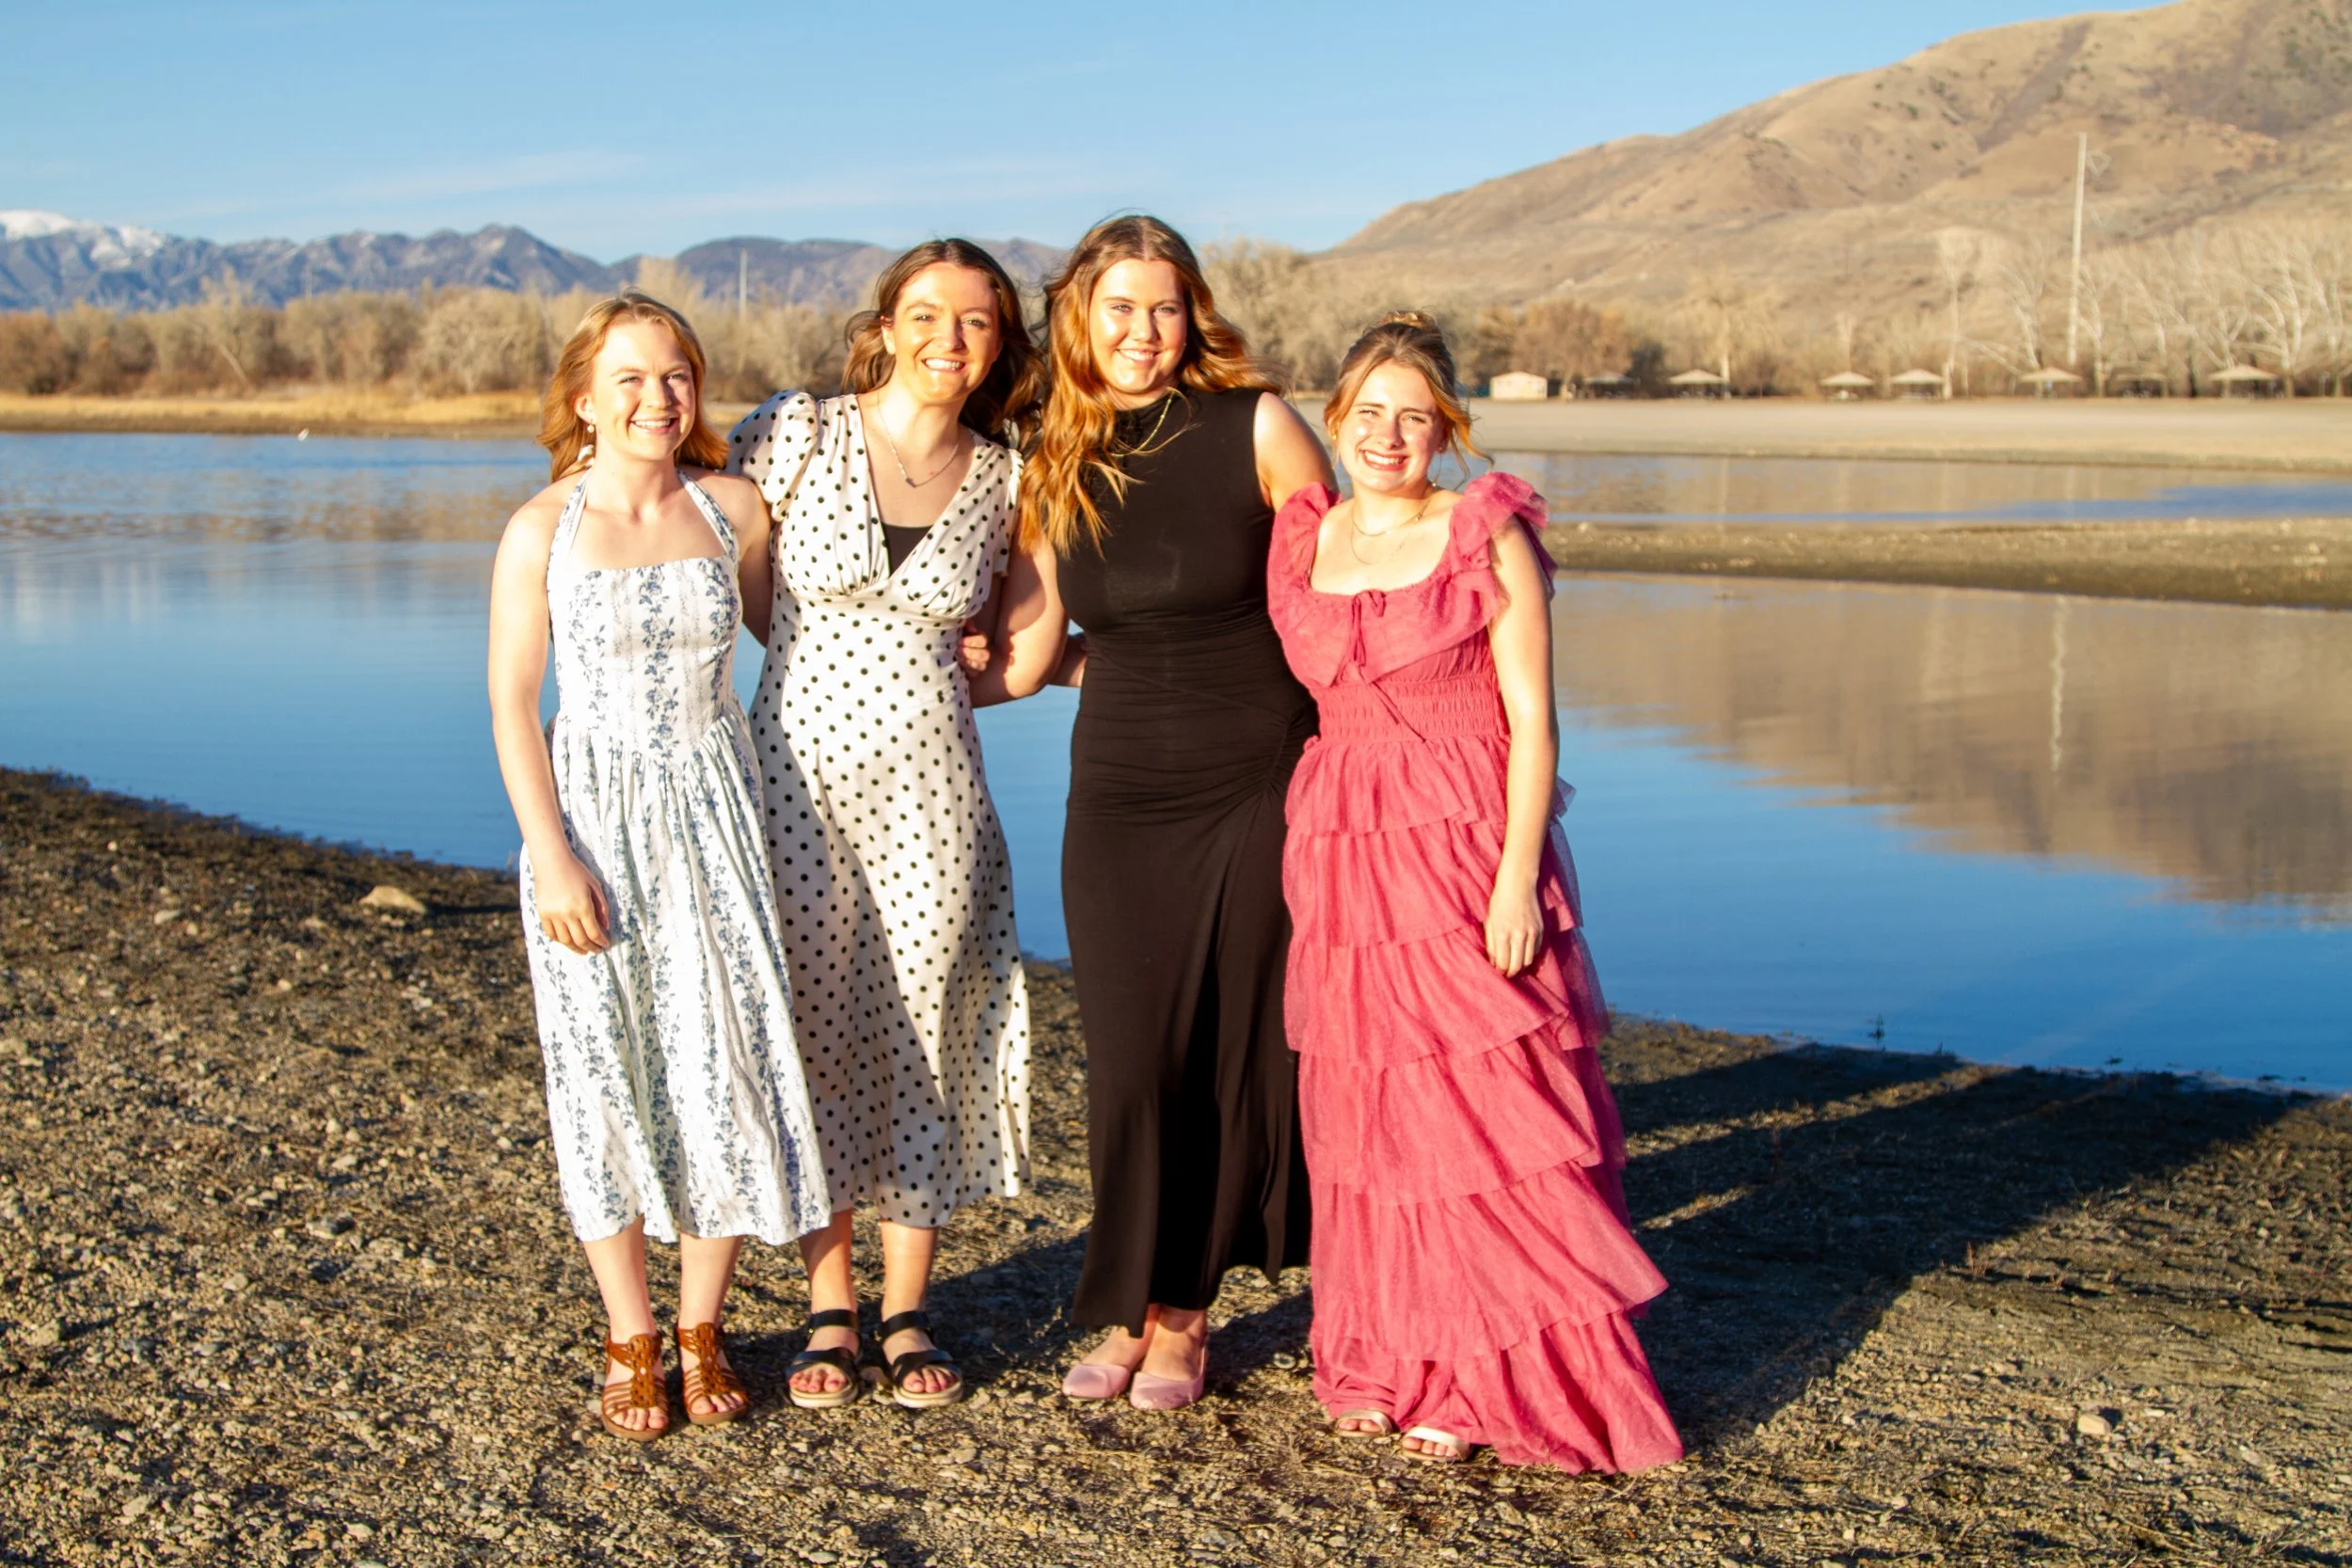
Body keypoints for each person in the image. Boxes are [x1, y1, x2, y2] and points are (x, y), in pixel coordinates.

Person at [1264, 312, 1682, 1469]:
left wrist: (1513, 883)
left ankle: (1486, 1371)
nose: (1389, 434)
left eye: (1415, 416)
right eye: (1368, 413)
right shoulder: (1305, 535)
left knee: (1480, 1117)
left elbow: (1536, 723)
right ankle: (1383, 1355)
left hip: (1461, 841)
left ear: (1444, 428)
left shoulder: (1484, 533)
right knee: (1366, 1117)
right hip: (1342, 844)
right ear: (1336, 418)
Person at [995, 214, 1332, 1410]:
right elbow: (1037, 648)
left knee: (1231, 1047)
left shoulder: (1260, 425)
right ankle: (1132, 1298)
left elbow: (1338, 597)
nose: (1143, 331)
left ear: (1194, 317)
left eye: (1165, 307)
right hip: (1123, 793)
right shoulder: (1046, 458)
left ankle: (1182, 1319)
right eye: (1120, 307)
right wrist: (888, 666)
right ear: (1080, 314)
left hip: (1261, 778)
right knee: (1134, 1060)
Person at [487, 292, 831, 1441]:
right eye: (630, 378)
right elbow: (510, 702)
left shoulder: (732, 506)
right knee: (603, 1069)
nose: (657, 397)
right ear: (585, 398)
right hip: (589, 822)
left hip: (716, 818)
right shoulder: (543, 526)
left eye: (676, 374)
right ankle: (628, 1332)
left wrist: (957, 638)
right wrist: (551, 854)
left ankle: (702, 1325)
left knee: (717, 1061)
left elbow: (796, 633)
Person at [725, 240, 1057, 1410]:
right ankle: (828, 1308)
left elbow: (1026, 647)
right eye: (927, 313)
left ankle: (908, 1310)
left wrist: (944, 664)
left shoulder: (1013, 473)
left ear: (1002, 342)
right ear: (887, 321)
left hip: (933, 793)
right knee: (813, 1029)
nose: (948, 339)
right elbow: (747, 595)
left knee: (925, 1028)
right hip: (793, 781)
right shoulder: (793, 431)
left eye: (976, 321)